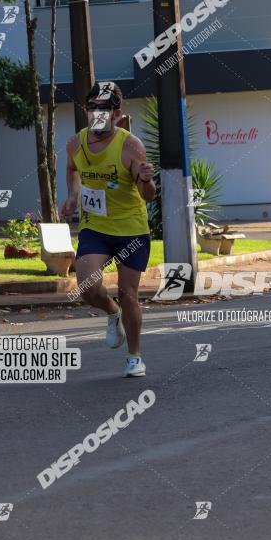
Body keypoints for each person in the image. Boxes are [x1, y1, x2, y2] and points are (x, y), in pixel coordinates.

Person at [60, 81, 156, 377]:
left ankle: (134, 356)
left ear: (116, 114)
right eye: (93, 108)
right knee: (87, 286)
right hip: (95, 226)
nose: (97, 114)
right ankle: (112, 313)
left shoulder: (130, 146)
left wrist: (146, 180)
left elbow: (147, 195)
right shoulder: (76, 143)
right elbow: (71, 169)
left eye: (104, 109)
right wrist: (73, 197)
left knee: (129, 294)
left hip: (130, 229)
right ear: (86, 111)